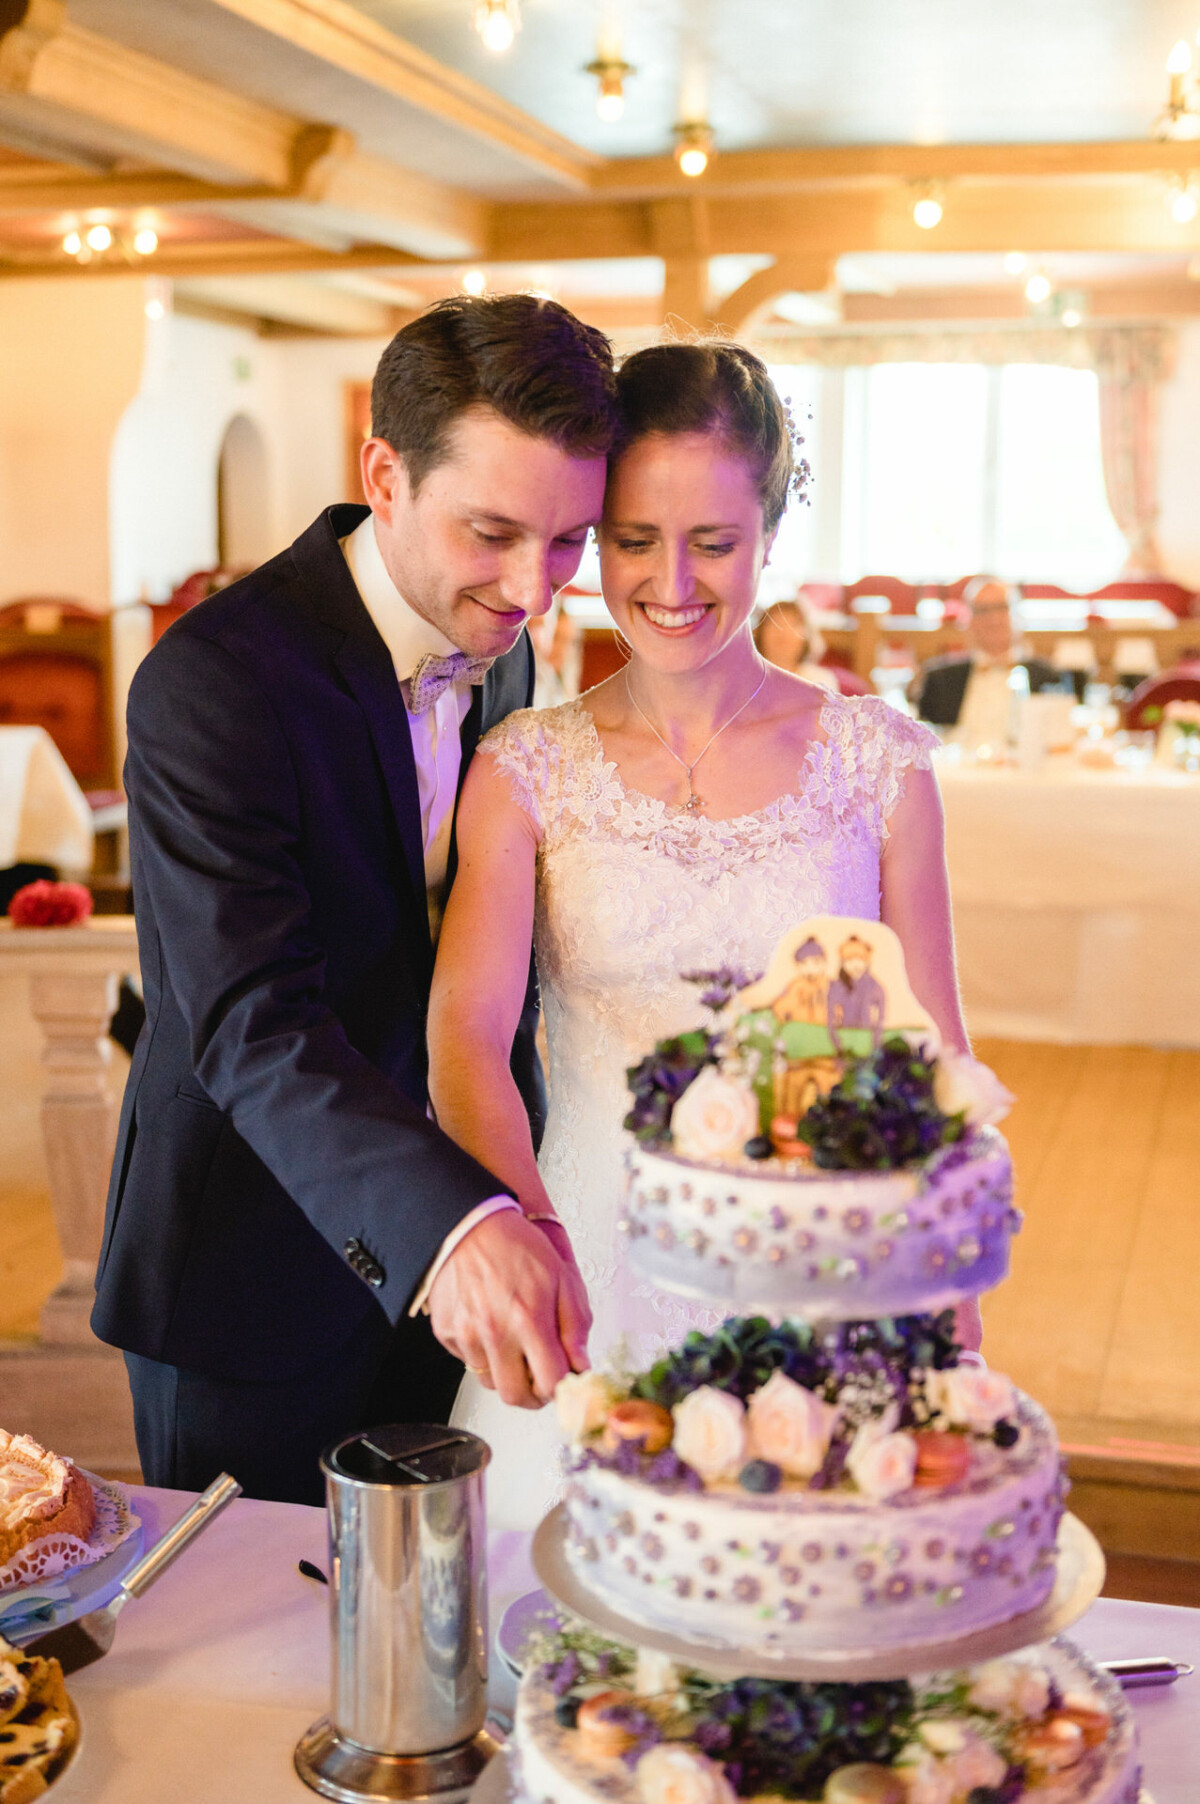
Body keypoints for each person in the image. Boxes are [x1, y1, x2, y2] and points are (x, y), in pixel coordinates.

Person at [427, 339, 975, 1530]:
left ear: (771, 533)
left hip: (825, 1275)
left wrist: (946, 1280)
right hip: (585, 1267)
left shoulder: (878, 764)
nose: (671, 581)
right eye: (632, 540)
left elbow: (931, 1044)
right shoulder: (524, 768)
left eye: (714, 542)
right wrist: (527, 1234)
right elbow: (466, 1039)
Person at [90, 295, 621, 1505]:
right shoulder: (214, 680)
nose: (531, 588)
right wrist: (449, 1223)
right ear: (384, 472)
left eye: (566, 542)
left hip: (457, 1250)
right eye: (492, 531)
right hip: (249, 1268)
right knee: (244, 1656)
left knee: (422, 1626)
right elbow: (245, 1019)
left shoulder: (503, 645)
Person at [912, 576, 1059, 734]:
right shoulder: (939, 679)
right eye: (982, 610)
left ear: (1017, 615)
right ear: (967, 620)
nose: (993, 619)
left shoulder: (1047, 677)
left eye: (1001, 608)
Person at [756, 593, 838, 690]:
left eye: (793, 624)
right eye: (775, 622)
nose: (783, 631)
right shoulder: (746, 678)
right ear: (760, 633)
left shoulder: (820, 681)